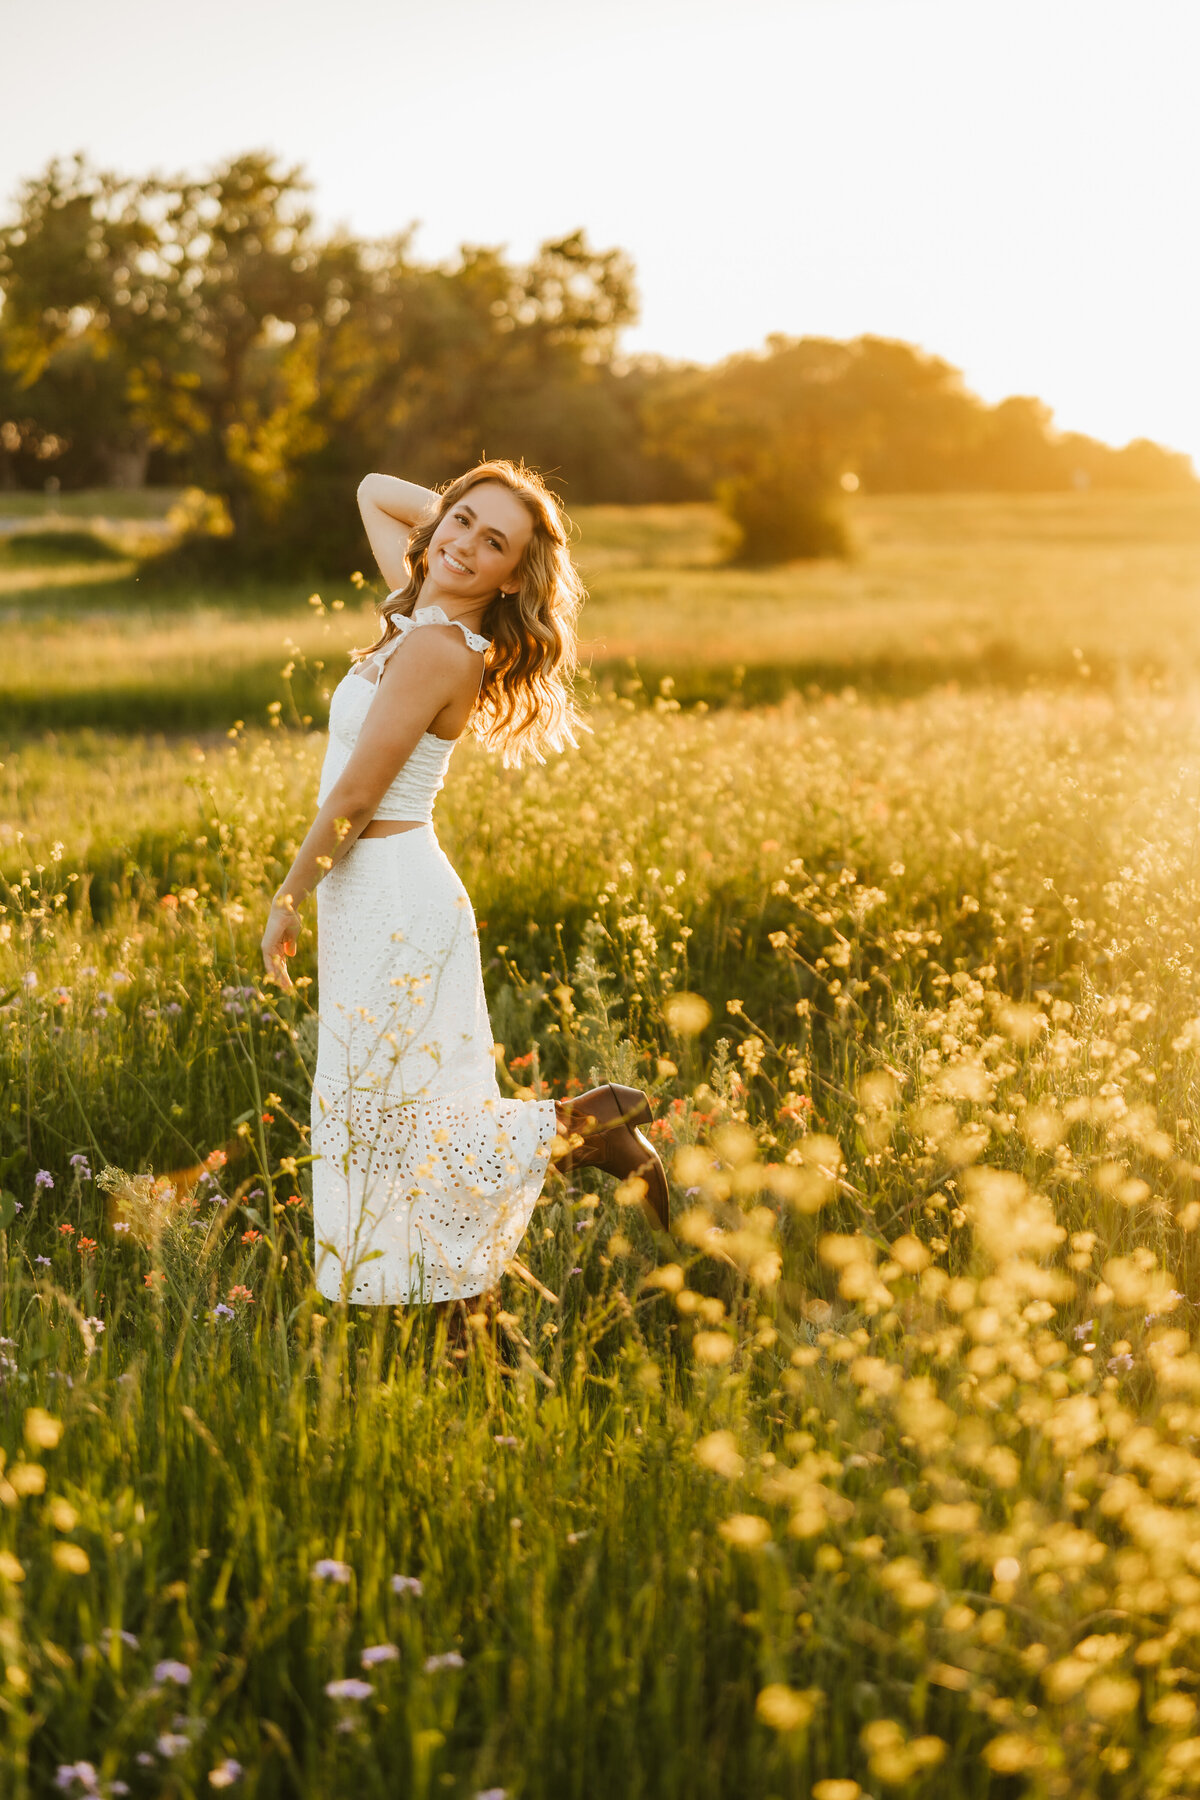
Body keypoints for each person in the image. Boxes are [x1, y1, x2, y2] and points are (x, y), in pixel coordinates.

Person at [260, 461, 669, 1311]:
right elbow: (371, 487)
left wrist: (287, 897)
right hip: (383, 891)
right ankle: (455, 1319)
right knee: (393, 1113)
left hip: (392, 893)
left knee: (384, 1117)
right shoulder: (426, 614)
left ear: (515, 575)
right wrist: (469, 526)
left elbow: (357, 796)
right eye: (459, 524)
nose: (463, 545)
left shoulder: (437, 646)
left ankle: (580, 1130)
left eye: (495, 545)